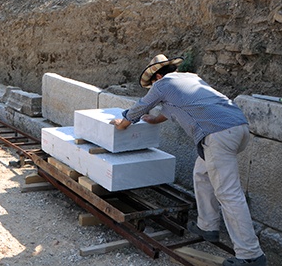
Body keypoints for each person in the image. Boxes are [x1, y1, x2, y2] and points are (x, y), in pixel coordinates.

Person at [110, 54, 266, 266]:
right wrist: (156, 119)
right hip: (237, 127)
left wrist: (123, 122)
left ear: (156, 76)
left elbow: (141, 106)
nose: (152, 87)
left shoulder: (162, 85)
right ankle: (207, 225)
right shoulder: (190, 79)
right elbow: (175, 107)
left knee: (229, 194)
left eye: (152, 83)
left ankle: (250, 255)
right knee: (201, 174)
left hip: (217, 134)